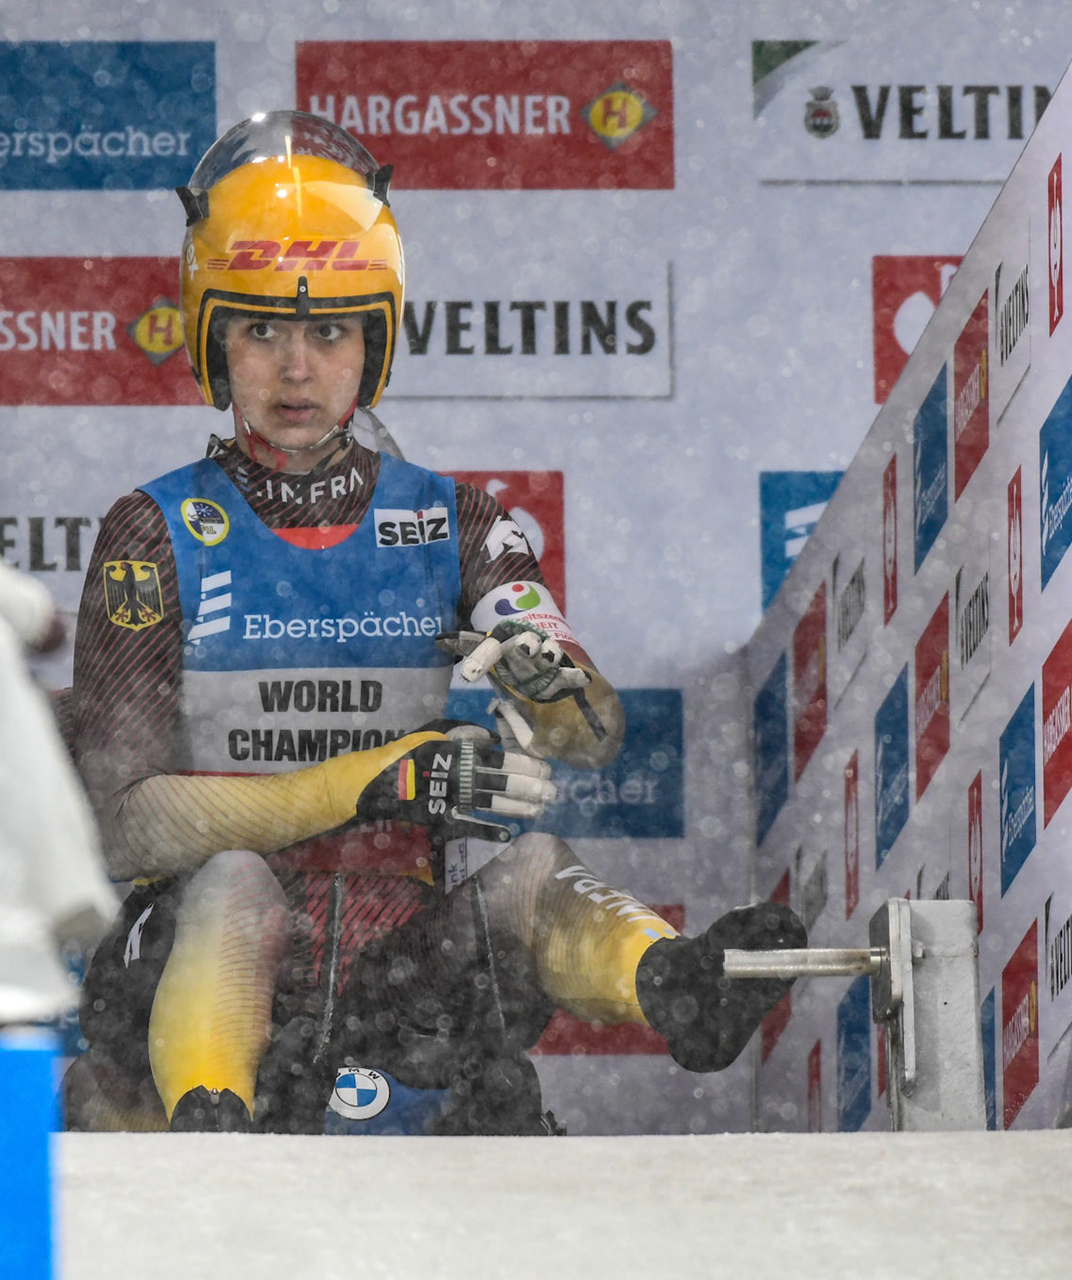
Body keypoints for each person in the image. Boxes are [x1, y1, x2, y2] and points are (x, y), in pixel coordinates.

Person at [65, 112, 804, 1134]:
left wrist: (555, 690)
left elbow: (587, 731)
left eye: (328, 331)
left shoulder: (453, 520)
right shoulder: (153, 530)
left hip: (392, 985)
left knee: (536, 867)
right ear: (211, 336)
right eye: (262, 329)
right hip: (201, 963)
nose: (294, 369)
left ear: (374, 339)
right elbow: (123, 820)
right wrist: (378, 777)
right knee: (234, 883)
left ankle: (676, 982)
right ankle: (211, 1122)